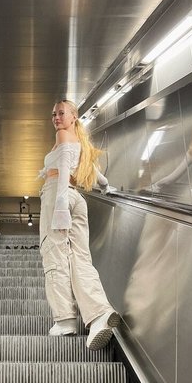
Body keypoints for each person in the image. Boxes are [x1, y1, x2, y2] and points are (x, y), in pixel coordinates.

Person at [38, 99, 120, 351]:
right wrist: (106, 187)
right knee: (80, 258)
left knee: (55, 254)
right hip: (77, 199)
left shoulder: (63, 135)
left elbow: (64, 167)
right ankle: (99, 314)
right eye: (53, 114)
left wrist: (60, 206)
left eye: (61, 113)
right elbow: (95, 172)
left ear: (74, 116)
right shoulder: (80, 142)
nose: (56, 117)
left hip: (59, 194)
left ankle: (65, 320)